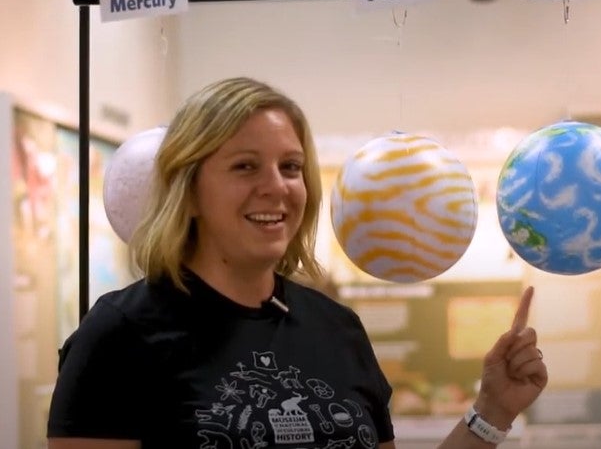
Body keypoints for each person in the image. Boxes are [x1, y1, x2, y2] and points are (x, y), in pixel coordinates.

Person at [47, 77, 548, 449]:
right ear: (189, 190)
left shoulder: (336, 327)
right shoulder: (121, 333)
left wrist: (492, 411)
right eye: (245, 166)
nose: (277, 186)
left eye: (290, 167)